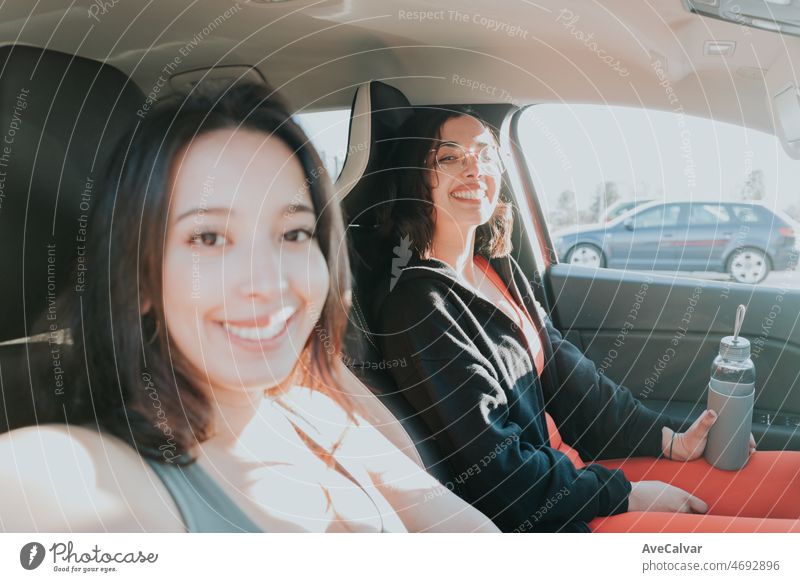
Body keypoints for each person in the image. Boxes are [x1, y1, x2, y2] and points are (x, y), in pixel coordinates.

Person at [0, 84, 498, 533]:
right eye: (209, 237)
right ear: (139, 278)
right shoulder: (69, 482)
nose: (268, 282)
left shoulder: (319, 411)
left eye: (295, 233)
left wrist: (316, 341)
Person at [373, 107, 800, 533]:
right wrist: (623, 493)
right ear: (414, 177)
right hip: (558, 518)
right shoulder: (420, 307)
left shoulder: (494, 270)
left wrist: (670, 441)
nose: (474, 169)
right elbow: (496, 470)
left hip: (578, 475)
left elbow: (573, 380)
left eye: (485, 155)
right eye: (449, 158)